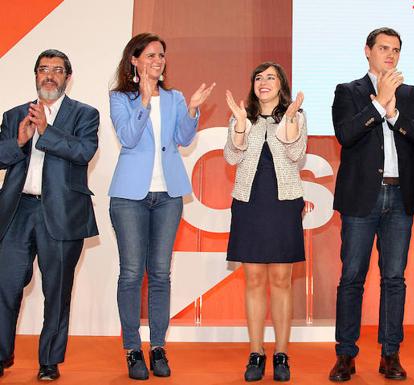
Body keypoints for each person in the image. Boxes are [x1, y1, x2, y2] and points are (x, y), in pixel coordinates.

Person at [329, 27, 414, 381]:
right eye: (384, 48)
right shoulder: (348, 91)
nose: (390, 54)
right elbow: (346, 134)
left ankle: (391, 354)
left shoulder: (413, 94)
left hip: (399, 198)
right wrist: (378, 103)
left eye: (396, 50)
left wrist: (395, 115)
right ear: (368, 51)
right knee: (352, 278)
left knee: (394, 279)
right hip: (362, 197)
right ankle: (345, 355)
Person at [108, 33, 214, 380]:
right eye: (151, 55)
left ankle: (157, 347)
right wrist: (144, 100)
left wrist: (193, 109)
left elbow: (183, 139)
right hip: (129, 197)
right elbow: (128, 137)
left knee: (161, 274)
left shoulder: (175, 97)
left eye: (162, 55)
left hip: (167, 196)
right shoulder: (120, 98)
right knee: (131, 273)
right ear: (135, 60)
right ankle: (131, 349)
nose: (158, 60)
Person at [0, 49, 99, 381]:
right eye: (43, 69)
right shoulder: (15, 115)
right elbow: (1, 156)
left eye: (57, 70)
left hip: (62, 213)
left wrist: (46, 131)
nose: (49, 75)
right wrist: (20, 139)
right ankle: (1, 356)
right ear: (35, 76)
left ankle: (49, 361)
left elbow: (84, 151)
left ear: (67, 78)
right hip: (17, 211)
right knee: (6, 285)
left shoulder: (85, 114)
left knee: (56, 291)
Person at [223, 61, 306, 382]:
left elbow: (297, 153)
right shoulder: (241, 117)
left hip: (284, 203)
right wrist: (241, 124)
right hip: (249, 202)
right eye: (258, 77)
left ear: (281, 85)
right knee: (254, 279)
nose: (263, 82)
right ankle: (256, 353)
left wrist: (288, 119)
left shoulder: (296, 116)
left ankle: (282, 354)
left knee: (282, 281)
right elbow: (232, 156)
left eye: (271, 77)